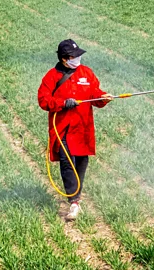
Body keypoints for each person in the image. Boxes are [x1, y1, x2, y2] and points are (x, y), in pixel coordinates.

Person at [38, 39, 113, 220]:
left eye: (79, 55)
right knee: (67, 162)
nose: (78, 58)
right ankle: (74, 201)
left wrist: (103, 97)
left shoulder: (87, 73)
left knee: (81, 163)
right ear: (64, 59)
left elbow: (94, 94)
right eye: (74, 56)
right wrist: (62, 103)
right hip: (63, 129)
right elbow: (43, 100)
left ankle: (76, 195)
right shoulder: (51, 77)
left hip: (82, 128)